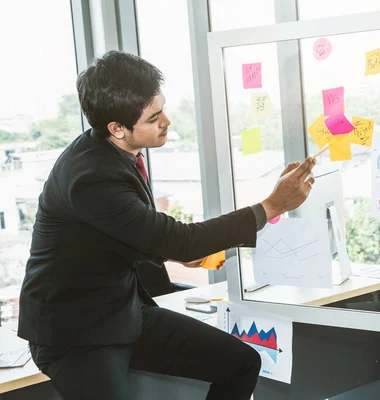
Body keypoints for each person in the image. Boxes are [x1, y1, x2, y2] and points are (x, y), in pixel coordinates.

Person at [18, 51, 316, 400]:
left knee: (242, 362)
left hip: (122, 310)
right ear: (117, 128)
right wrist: (271, 206)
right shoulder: (91, 177)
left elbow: (127, 233)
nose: (168, 122)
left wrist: (173, 254)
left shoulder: (113, 153)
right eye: (154, 117)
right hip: (74, 332)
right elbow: (178, 240)